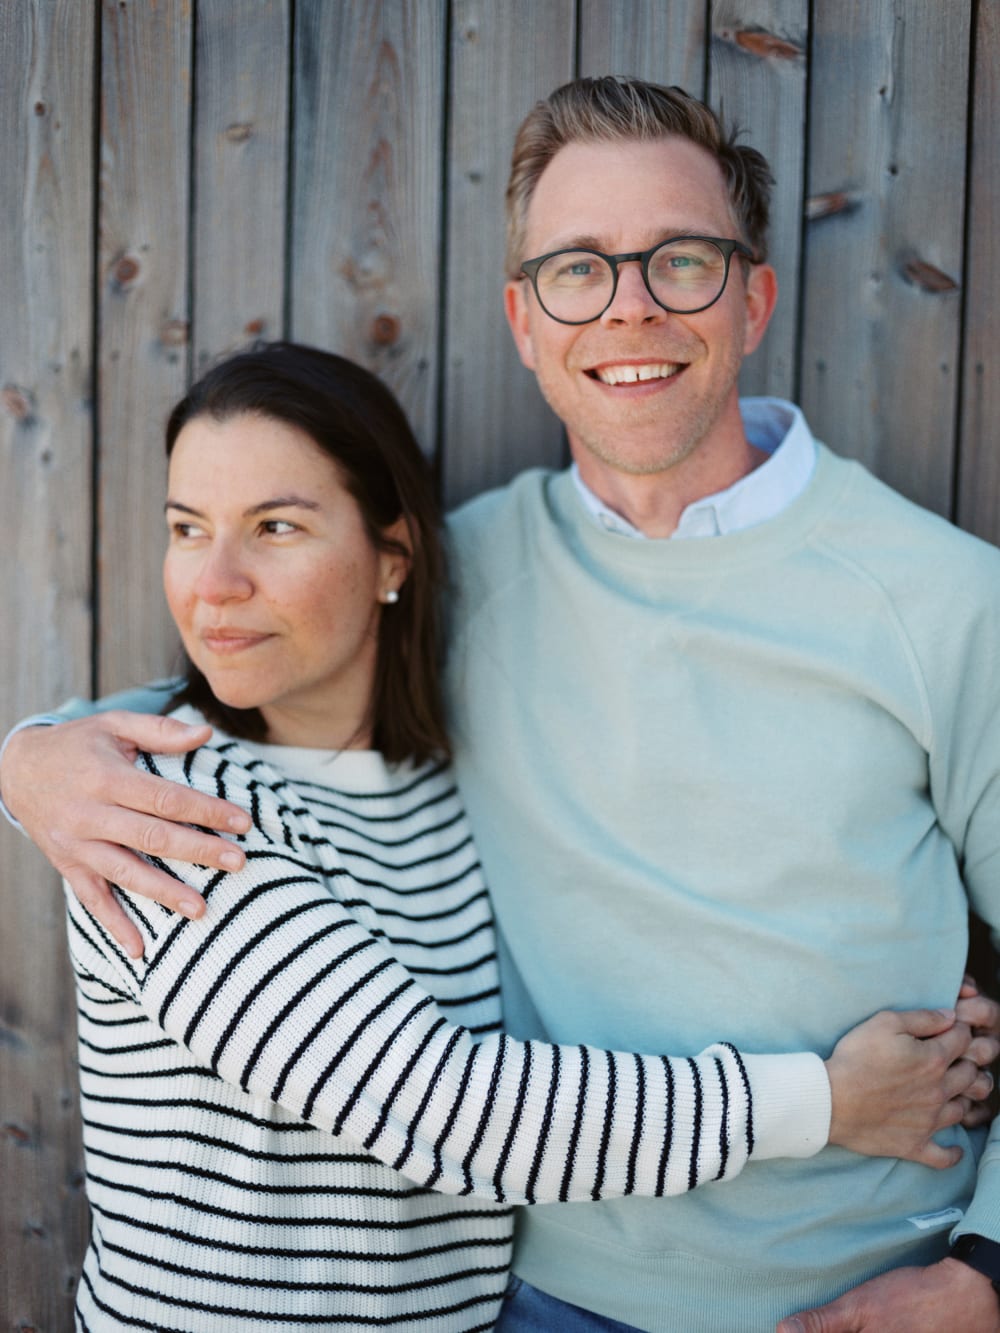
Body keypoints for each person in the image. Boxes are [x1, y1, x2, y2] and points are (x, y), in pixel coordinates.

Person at [3, 78, 1000, 1331]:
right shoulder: (467, 579)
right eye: (578, 269)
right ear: (526, 322)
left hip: (872, 1288)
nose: (629, 304)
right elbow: (261, 667)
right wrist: (34, 760)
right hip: (543, 1296)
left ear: (751, 297)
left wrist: (987, 1273)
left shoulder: (947, 600)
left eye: (679, 260)